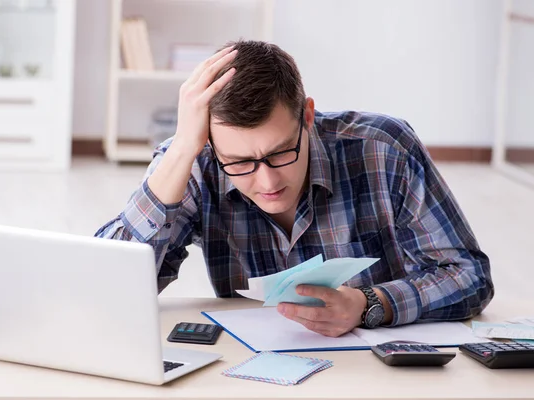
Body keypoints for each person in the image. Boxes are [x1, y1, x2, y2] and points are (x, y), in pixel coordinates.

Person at [95, 40, 494, 337]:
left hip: (377, 363)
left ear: (307, 116)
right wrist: (182, 149)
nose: (267, 182)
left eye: (281, 152)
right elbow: (108, 288)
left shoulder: (383, 148)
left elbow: (469, 276)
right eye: (239, 163)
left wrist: (369, 304)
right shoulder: (192, 160)